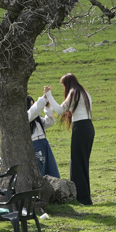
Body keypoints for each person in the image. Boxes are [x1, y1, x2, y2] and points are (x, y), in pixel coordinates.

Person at [45, 73, 95, 206]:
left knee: (77, 163)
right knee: (82, 162)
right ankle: (84, 196)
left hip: (80, 127)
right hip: (88, 127)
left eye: (63, 85)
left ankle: (81, 198)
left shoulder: (74, 93)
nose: (63, 88)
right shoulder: (84, 92)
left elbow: (60, 110)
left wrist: (49, 95)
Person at [28, 91, 60, 178]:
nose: (32, 106)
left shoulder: (37, 118)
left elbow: (49, 122)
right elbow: (34, 110)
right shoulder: (26, 117)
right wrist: (43, 98)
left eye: (33, 104)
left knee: (50, 166)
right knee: (41, 167)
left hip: (44, 143)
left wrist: (48, 107)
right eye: (31, 104)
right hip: (35, 144)